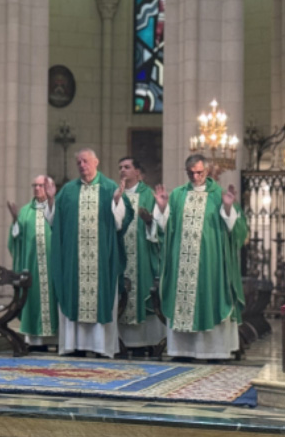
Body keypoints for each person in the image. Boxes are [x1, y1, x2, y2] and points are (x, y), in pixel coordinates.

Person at [153, 154, 247, 360]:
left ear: (208, 171)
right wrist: (161, 210)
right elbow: (164, 229)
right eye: (191, 173)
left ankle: (215, 351)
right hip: (182, 264)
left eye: (199, 172)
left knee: (211, 299)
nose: (195, 177)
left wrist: (229, 208)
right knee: (183, 303)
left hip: (211, 265)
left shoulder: (219, 195)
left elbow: (237, 231)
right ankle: (183, 351)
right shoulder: (177, 195)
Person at [51, 148, 132, 358]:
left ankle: (100, 347)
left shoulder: (109, 188)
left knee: (101, 299)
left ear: (96, 162)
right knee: (73, 296)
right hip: (73, 260)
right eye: (78, 162)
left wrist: (116, 202)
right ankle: (72, 346)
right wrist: (50, 201)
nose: (82, 165)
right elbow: (54, 221)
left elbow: (121, 222)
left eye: (85, 161)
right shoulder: (68, 191)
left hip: (101, 260)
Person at [116, 156, 164, 352]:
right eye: (120, 167)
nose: (122, 171)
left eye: (127, 167)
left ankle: (147, 342)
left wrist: (150, 222)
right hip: (121, 254)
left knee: (143, 291)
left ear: (137, 172)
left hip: (142, 254)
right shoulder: (116, 194)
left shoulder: (148, 195)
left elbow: (161, 230)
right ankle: (121, 342)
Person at [7, 175, 58, 351]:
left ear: (51, 187)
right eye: (34, 185)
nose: (37, 188)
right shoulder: (25, 211)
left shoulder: (57, 208)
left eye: (41, 185)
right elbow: (16, 239)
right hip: (32, 265)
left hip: (54, 265)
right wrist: (15, 220)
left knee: (54, 297)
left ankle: (56, 340)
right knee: (33, 297)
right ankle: (35, 341)